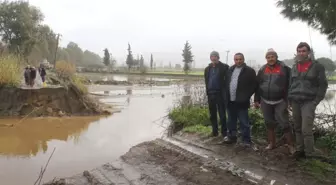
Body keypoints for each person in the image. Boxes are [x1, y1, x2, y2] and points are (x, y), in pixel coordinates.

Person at [288, 42, 328, 159]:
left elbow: (323, 85)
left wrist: (316, 101)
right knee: (297, 127)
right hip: (295, 101)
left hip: (309, 101)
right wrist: (289, 98)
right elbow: (291, 83)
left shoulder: (317, 66)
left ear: (308, 52)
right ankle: (300, 150)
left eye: (303, 51)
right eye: (299, 51)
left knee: (306, 129)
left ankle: (310, 153)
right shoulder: (294, 66)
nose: (301, 53)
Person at [254, 48, 294, 154]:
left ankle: (290, 145)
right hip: (265, 101)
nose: (270, 59)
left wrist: (288, 100)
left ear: (276, 57)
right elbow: (258, 85)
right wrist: (256, 99)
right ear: (266, 58)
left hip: (280, 101)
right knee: (269, 123)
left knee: (284, 123)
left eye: (272, 57)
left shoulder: (285, 68)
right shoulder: (262, 69)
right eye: (268, 57)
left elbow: (290, 85)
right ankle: (272, 143)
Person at [223, 53, 257, 147]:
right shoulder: (230, 70)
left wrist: (246, 96)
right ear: (234, 60)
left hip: (242, 102)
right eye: (236, 59)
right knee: (231, 121)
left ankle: (246, 140)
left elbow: (254, 86)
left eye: (240, 59)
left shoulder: (249, 71)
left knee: (244, 122)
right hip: (230, 101)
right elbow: (226, 83)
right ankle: (232, 137)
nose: (238, 61)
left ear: (243, 59)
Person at [204, 51, 229, 137]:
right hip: (211, 94)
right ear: (210, 58)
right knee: (212, 114)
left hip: (220, 94)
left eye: (215, 56)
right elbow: (206, 81)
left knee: (222, 114)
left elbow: (228, 81)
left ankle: (224, 132)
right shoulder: (207, 69)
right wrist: (207, 91)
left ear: (218, 57)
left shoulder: (224, 67)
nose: (214, 58)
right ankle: (214, 131)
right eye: (212, 56)